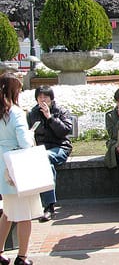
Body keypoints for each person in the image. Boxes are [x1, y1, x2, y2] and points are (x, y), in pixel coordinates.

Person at [0, 73, 43, 265]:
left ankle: (0, 253)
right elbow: (24, 142)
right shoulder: (15, 112)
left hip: (2, 166)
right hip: (17, 167)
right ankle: (22, 257)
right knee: (24, 215)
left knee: (7, 213)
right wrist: (30, 134)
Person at [27, 85, 73, 223]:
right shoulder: (32, 114)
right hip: (40, 151)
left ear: (51, 99)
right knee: (45, 163)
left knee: (44, 158)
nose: (42, 100)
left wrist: (50, 117)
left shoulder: (60, 111)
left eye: (45, 97)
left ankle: (48, 206)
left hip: (60, 147)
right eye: (39, 97)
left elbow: (65, 131)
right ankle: (44, 205)